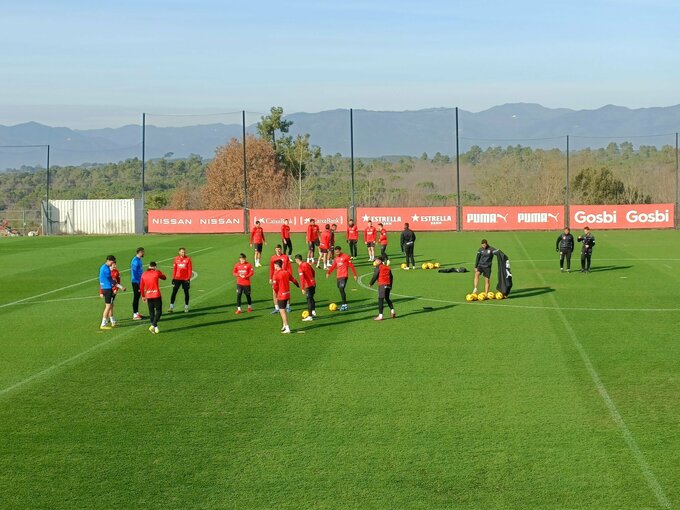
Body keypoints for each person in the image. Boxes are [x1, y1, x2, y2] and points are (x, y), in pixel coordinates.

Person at [271, 259, 299, 334]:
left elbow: (275, 287)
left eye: (274, 266)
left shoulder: (276, 274)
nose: (274, 267)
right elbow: (293, 280)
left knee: (282, 312)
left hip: (281, 295)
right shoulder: (286, 272)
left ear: (277, 266)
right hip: (287, 294)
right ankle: (284, 325)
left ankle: (287, 327)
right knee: (283, 310)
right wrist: (297, 285)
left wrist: (277, 293)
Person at [326, 245, 357, 311]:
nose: (337, 253)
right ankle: (344, 304)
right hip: (338, 276)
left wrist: (355, 275)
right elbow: (333, 266)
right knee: (340, 288)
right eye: (336, 252)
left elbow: (351, 265)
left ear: (340, 250)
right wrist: (328, 273)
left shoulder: (346, 256)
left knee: (341, 288)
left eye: (338, 252)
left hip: (344, 275)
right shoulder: (336, 258)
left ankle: (344, 305)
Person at [140, 261, 167, 334]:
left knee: (151, 312)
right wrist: (159, 273)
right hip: (156, 295)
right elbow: (164, 278)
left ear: (149, 266)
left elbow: (141, 286)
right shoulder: (157, 272)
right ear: (155, 267)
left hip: (148, 295)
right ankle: (153, 325)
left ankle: (155, 327)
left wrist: (143, 296)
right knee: (159, 311)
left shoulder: (144, 274)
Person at [98, 255, 124, 330]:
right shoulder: (106, 269)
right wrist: (120, 286)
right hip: (107, 289)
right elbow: (111, 280)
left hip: (105, 288)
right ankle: (103, 324)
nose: (113, 263)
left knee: (110, 305)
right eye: (112, 262)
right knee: (108, 306)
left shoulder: (103, 267)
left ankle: (112, 321)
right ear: (109, 260)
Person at [369, 256, 395, 320]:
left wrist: (371, 283)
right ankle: (392, 311)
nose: (375, 261)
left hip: (382, 285)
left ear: (380, 261)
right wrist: (390, 285)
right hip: (388, 284)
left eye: (376, 260)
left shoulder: (378, 267)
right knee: (387, 298)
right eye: (375, 260)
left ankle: (380, 316)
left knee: (380, 299)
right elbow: (391, 277)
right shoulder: (388, 267)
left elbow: (375, 276)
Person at [269, 244, 292, 314]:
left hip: (284, 277)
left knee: (286, 292)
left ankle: (288, 307)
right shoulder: (273, 258)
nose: (278, 250)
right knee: (274, 292)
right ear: (275, 250)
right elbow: (271, 268)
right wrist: (270, 278)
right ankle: (277, 308)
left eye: (279, 249)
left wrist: (290, 277)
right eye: (276, 249)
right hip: (275, 277)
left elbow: (289, 267)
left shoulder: (285, 257)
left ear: (281, 249)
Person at [169, 247, 192, 313]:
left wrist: (188, 278)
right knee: (174, 292)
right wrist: (173, 278)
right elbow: (175, 269)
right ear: (179, 252)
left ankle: (186, 307)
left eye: (184, 252)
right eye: (182, 252)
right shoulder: (176, 259)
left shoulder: (188, 259)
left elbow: (190, 269)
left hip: (185, 279)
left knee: (186, 292)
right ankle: (171, 307)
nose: (183, 253)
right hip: (177, 278)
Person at [295, 254, 316, 321]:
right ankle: (313, 311)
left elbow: (302, 278)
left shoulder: (300, 267)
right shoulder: (307, 264)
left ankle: (310, 316)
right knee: (311, 298)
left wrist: (302, 288)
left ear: (297, 260)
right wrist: (312, 279)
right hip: (313, 283)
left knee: (309, 300)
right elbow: (313, 272)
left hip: (308, 285)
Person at [130, 247, 145, 320]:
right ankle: (135, 314)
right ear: (140, 252)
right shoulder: (135, 261)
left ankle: (137, 313)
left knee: (138, 297)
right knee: (136, 297)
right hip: (136, 282)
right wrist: (138, 282)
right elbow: (134, 273)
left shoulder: (138, 260)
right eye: (143, 252)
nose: (144, 253)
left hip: (139, 281)